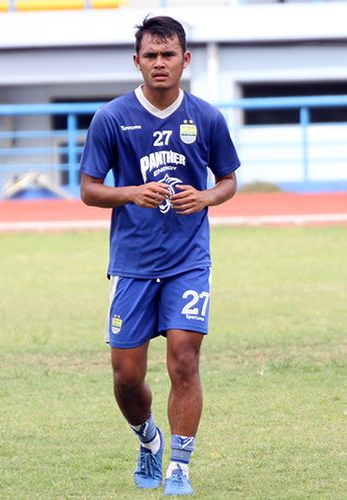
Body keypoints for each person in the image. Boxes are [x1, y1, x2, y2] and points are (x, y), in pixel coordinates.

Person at [79, 14, 240, 496]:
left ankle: (179, 468)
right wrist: (131, 193)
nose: (160, 63)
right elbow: (88, 190)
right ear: (137, 61)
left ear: (185, 59)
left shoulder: (207, 118)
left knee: (184, 360)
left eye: (169, 54)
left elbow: (229, 180)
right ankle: (148, 440)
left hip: (189, 260)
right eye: (150, 55)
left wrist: (207, 197)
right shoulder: (111, 117)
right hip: (132, 263)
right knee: (126, 377)